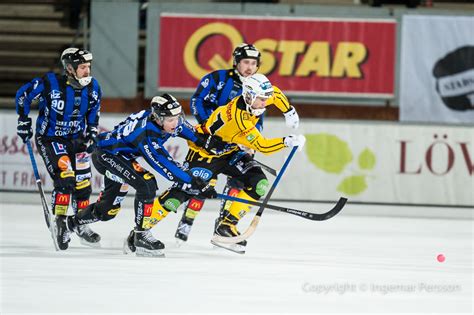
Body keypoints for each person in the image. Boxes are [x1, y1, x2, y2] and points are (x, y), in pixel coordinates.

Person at [54, 94, 223, 257]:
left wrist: (207, 142)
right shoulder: (147, 135)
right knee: (147, 184)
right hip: (107, 156)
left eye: (178, 117)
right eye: (171, 119)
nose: (176, 122)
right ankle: (141, 234)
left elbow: (188, 131)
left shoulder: (166, 119)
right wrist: (194, 182)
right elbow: (168, 167)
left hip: (120, 155)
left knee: (107, 211)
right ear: (158, 118)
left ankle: (68, 223)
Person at [156, 73, 305, 254]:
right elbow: (262, 146)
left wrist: (289, 111)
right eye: (261, 99)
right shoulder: (239, 118)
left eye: (265, 99)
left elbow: (276, 94)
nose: (265, 103)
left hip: (228, 151)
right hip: (204, 153)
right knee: (183, 193)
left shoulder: (258, 97)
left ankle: (226, 226)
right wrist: (287, 141)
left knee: (259, 184)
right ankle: (142, 227)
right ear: (249, 96)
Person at [175, 43, 300, 243]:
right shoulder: (217, 79)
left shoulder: (259, 85)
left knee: (240, 182)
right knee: (206, 182)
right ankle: (187, 221)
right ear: (236, 62)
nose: (249, 67)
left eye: (253, 63)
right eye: (245, 62)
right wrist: (210, 131)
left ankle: (225, 224)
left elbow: (259, 117)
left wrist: (250, 140)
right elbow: (197, 102)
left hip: (241, 139)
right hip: (214, 141)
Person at [16, 47, 102, 247]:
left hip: (77, 140)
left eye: (88, 66)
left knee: (83, 185)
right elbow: (23, 95)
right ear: (70, 68)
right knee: (65, 179)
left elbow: (94, 112)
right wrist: (23, 120)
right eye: (82, 67)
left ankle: (80, 223)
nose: (87, 71)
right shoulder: (50, 83)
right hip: (51, 139)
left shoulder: (93, 87)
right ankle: (61, 223)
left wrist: (92, 132)